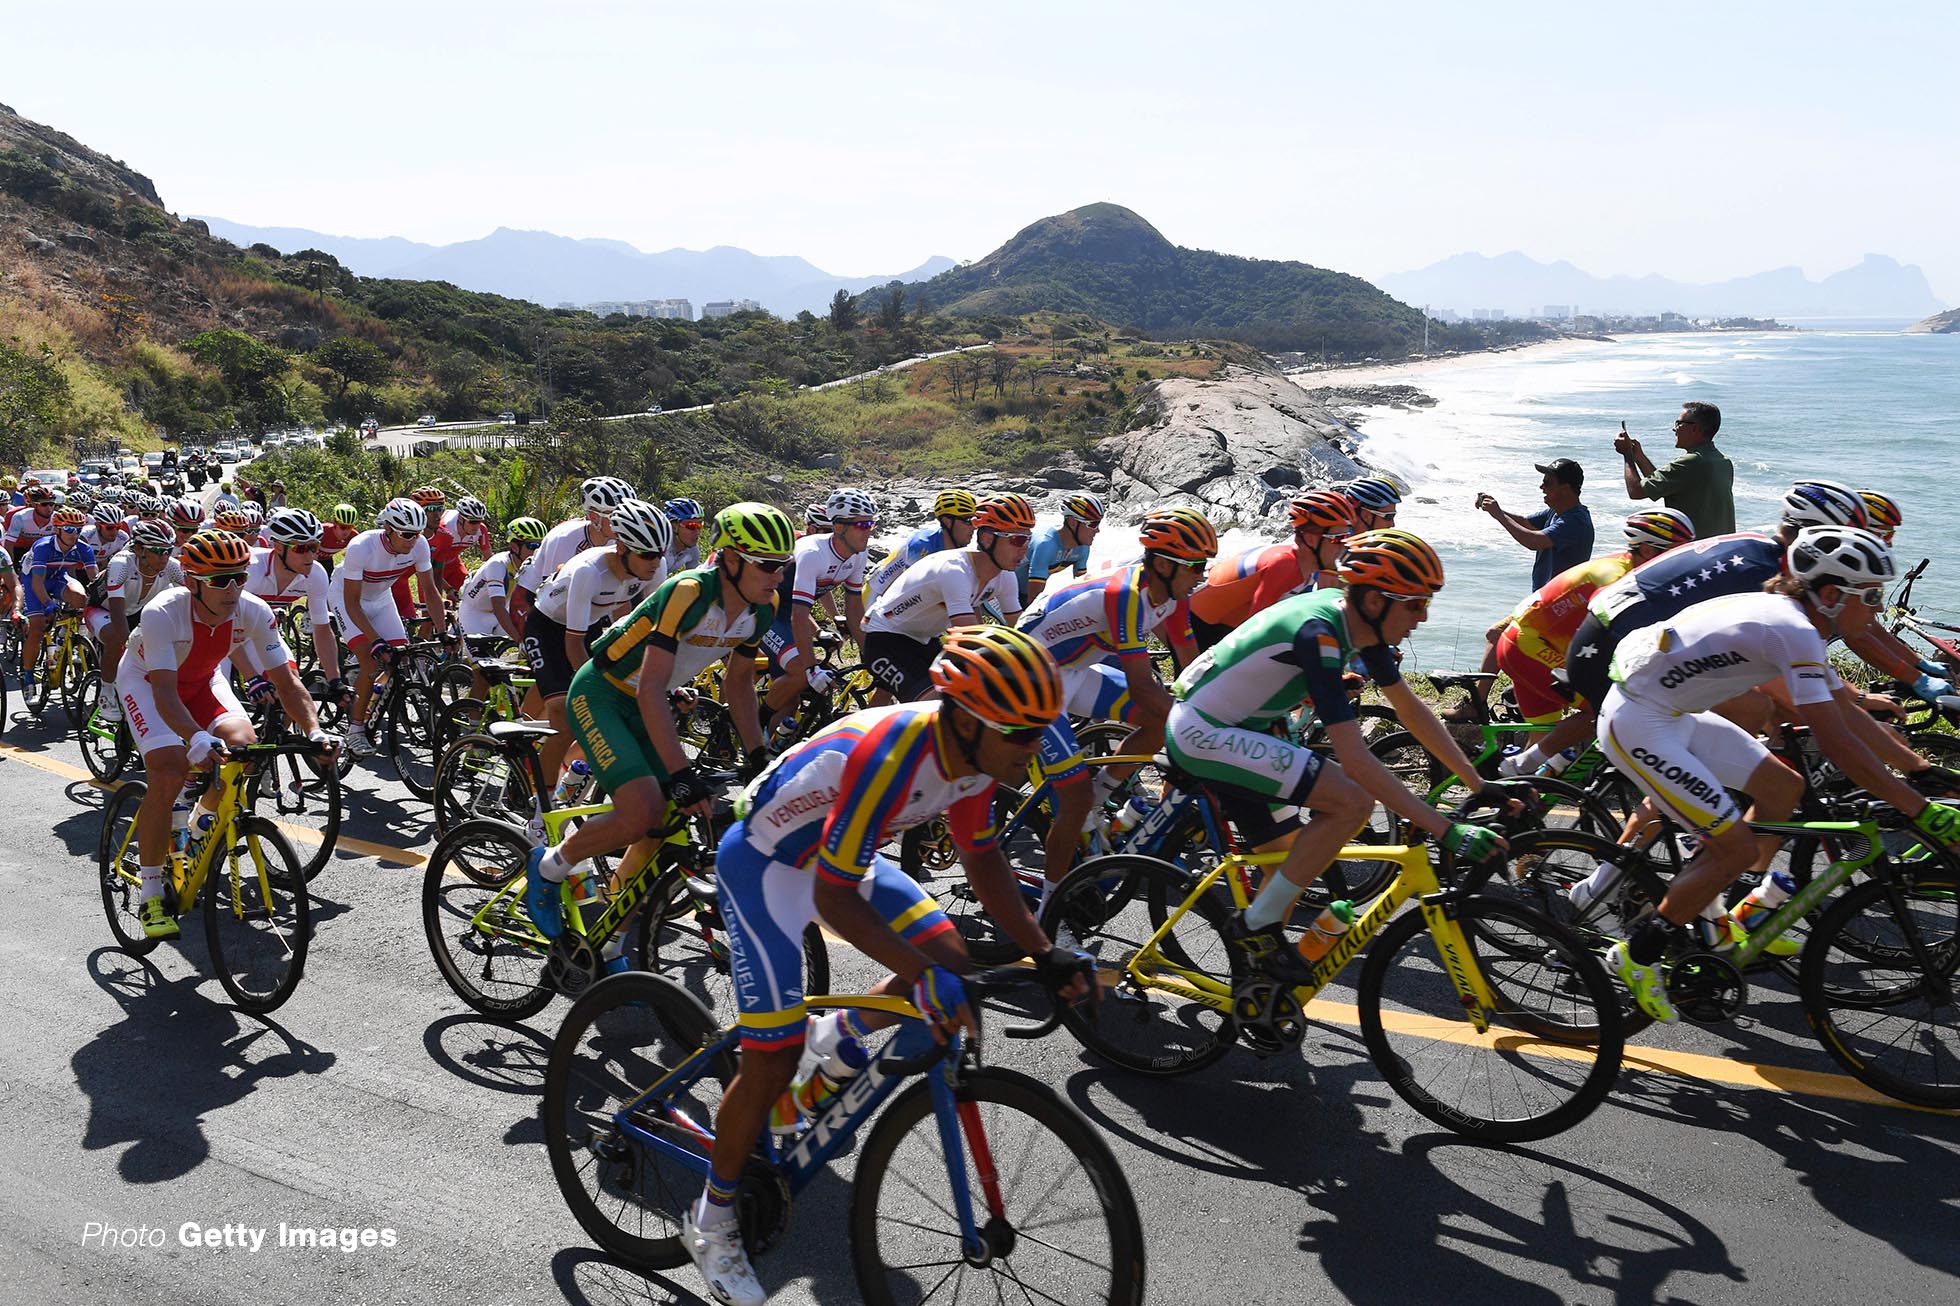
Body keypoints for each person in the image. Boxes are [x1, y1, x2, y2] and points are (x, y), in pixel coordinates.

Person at [678, 626, 1091, 1305]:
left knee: (950, 955)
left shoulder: (982, 758)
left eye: (1044, 729)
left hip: (844, 859)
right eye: (1024, 733)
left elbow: (982, 858)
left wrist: (1042, 951)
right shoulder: (893, 753)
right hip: (770, 866)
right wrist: (924, 976)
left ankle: (837, 1037)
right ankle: (712, 1217)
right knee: (773, 1058)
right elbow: (831, 897)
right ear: (967, 718)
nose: (1038, 747)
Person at [1598, 525, 1960, 1021]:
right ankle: (1637, 956)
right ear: (1831, 595)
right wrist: (1918, 810)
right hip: (1637, 720)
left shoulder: (1798, 623)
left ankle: (1725, 908)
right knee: (1737, 846)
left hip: (1676, 713)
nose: (1878, 609)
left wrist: (1919, 771)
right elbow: (1835, 740)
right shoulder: (1793, 630)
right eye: (1872, 596)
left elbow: (1846, 712)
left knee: (1781, 788)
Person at [1167, 529, 1510, 981]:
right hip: (1204, 733)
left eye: (1426, 603)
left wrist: (1479, 785)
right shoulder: (1320, 635)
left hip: (1239, 728)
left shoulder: (1356, 624)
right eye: (1414, 604)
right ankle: (1255, 928)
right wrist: (1444, 829)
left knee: (1291, 860)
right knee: (1351, 801)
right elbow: (1356, 761)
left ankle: (1257, 982)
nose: (1423, 617)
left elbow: (1410, 709)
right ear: (1374, 601)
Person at [523, 503, 794, 973]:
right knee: (643, 808)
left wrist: (758, 755)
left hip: (648, 698)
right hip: (604, 694)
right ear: (730, 559)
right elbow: (648, 686)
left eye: (783, 566)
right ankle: (549, 867)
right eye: (767, 565)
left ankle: (608, 938)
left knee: (665, 823)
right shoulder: (689, 591)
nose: (777, 576)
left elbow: (739, 684)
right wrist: (681, 772)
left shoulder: (762, 609)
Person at [115, 530, 331, 938]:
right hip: (147, 682)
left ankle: (198, 828)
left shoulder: (253, 611)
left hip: (201, 682)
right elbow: (163, 692)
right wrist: (195, 737)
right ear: (193, 582)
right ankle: (151, 892)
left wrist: (315, 731)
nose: (232, 589)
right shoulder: (163, 611)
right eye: (220, 580)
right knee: (169, 767)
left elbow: (286, 683)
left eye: (239, 577)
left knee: (244, 748)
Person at [1018, 507, 1212, 896]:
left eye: (1204, 565)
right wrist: (1199, 727)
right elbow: (1141, 687)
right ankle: (1053, 910)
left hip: (1072, 671)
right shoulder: (1126, 594)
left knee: (1157, 724)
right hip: (1030, 675)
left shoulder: (1173, 594)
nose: (1200, 575)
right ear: (1162, 563)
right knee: (1074, 800)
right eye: (1194, 565)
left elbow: (1191, 663)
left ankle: (1100, 799)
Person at [1489, 508, 1696, 738]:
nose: (1682, 561)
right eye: (1676, 553)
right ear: (1647, 550)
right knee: (1608, 708)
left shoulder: (1629, 566)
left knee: (1543, 739)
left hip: (1528, 642)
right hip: (1528, 648)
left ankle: (1523, 771)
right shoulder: (1617, 580)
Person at [521, 498, 672, 790]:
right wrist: (599, 688)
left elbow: (646, 630)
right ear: (622, 548)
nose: (654, 563)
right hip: (548, 628)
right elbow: (573, 644)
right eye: (646, 554)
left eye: (659, 554)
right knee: (564, 719)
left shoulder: (656, 567)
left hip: (588, 625)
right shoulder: (589, 571)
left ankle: (563, 770)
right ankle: (540, 805)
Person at [863, 493, 1032, 704]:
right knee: (935, 704)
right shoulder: (954, 570)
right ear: (988, 539)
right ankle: (853, 736)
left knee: (960, 697)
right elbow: (970, 636)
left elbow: (1021, 629)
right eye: (1017, 539)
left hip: (924, 639)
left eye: (1028, 538)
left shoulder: (1005, 577)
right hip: (885, 636)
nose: (1025, 547)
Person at [331, 498, 448, 757]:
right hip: (347, 599)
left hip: (381, 599)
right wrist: (375, 640)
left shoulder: (419, 546)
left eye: (417, 534)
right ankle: (355, 730)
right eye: (406, 534)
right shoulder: (362, 547)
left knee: (400, 656)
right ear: (389, 528)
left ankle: (373, 695)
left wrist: (443, 632)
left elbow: (430, 592)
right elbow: (352, 604)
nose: (413, 540)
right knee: (370, 661)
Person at [759, 488, 877, 722]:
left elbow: (854, 611)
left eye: (871, 524)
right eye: (862, 526)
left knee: (790, 702)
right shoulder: (814, 554)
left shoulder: (858, 555)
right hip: (765, 612)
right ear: (840, 527)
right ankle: (751, 724)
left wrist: (872, 655)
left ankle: (767, 751)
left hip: (788, 614)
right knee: (802, 674)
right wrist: (811, 668)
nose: (869, 532)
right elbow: (799, 615)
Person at [1187, 490, 1356, 650]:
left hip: (1224, 620)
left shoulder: (1309, 565)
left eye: (1348, 537)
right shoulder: (1284, 565)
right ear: (1311, 539)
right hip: (1200, 621)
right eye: (1338, 539)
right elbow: (1256, 629)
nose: (1345, 544)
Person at [85, 520, 184, 722]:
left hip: (137, 611)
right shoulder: (121, 564)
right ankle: (106, 693)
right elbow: (119, 614)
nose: (164, 557)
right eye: (157, 550)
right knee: (117, 639)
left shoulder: (172, 566)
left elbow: (194, 598)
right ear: (139, 549)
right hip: (103, 609)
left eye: (168, 550)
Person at [245, 508, 344, 703]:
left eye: (314, 547)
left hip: (261, 630)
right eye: (301, 548)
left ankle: (280, 732)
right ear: (279, 547)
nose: (310, 556)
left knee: (293, 688)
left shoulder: (315, 574)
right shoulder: (252, 570)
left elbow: (322, 629)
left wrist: (335, 681)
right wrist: (251, 676)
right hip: (227, 630)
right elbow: (227, 627)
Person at [511, 476, 635, 622]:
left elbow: (620, 598)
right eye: (616, 517)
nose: (624, 523)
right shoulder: (563, 538)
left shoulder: (621, 541)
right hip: (532, 599)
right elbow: (552, 595)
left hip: (573, 602)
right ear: (594, 517)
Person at [1616, 401, 1735, 537]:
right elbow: (1664, 486)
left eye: (1679, 423)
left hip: (1695, 551)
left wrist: (1627, 455)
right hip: (1720, 548)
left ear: (1694, 429)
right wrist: (1639, 457)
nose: (1675, 429)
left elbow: (1636, 491)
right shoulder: (1722, 461)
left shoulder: (1692, 462)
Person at [1476, 457, 1594, 589]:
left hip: (1561, 601)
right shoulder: (1555, 512)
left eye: (1547, 483)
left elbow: (1533, 541)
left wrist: (1498, 514)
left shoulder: (1576, 521)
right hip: (1546, 598)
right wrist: (1493, 507)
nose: (1541, 487)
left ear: (1565, 489)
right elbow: (1525, 523)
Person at [20, 506, 99, 689]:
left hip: (57, 577)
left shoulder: (83, 548)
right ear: (57, 529)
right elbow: (37, 584)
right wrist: (47, 603)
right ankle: (28, 674)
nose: (75, 534)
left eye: (79, 529)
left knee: (81, 598)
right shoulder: (43, 547)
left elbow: (94, 579)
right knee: (38, 627)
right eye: (70, 529)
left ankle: (64, 638)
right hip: (34, 580)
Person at [865, 488, 976, 604]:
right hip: (876, 594)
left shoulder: (959, 547)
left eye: (975, 520)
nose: (974, 527)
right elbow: (906, 595)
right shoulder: (922, 546)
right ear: (947, 521)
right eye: (968, 520)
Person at [457, 517, 546, 644]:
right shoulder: (498, 565)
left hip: (503, 611)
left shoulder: (533, 565)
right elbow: (498, 606)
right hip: (475, 613)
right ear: (515, 547)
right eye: (533, 546)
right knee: (478, 662)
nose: (537, 551)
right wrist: (519, 641)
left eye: (541, 546)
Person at [1015, 493, 1103, 606]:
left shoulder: (1083, 548)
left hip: (1020, 594)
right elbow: (1033, 599)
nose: (1097, 530)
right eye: (1093, 524)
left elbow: (1083, 590)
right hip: (999, 590)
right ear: (1072, 522)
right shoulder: (1046, 544)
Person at [662, 497, 706, 573]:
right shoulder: (661, 546)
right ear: (673, 526)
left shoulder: (693, 549)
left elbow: (693, 577)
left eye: (699, 525)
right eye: (691, 526)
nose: (697, 532)